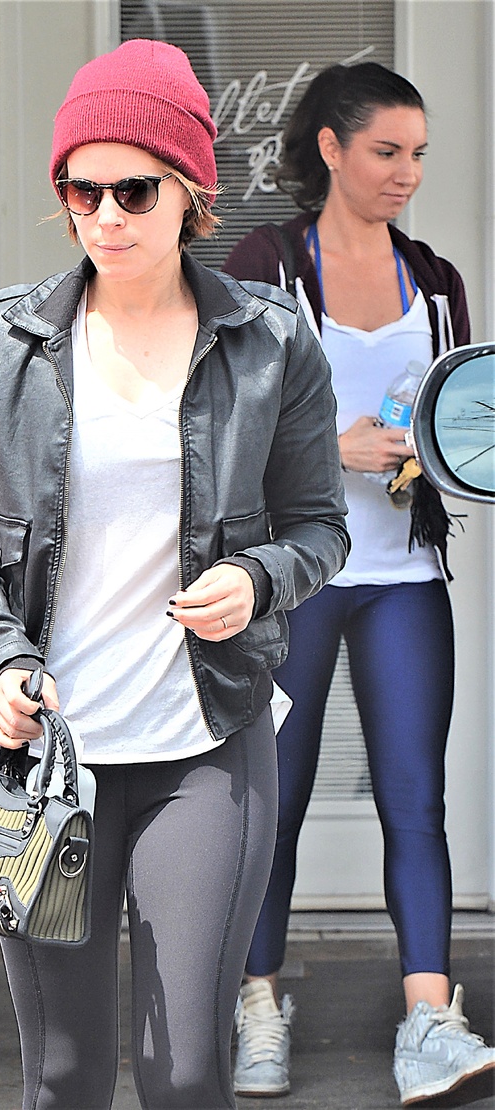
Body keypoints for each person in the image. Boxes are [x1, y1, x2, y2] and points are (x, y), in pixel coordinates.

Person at [0, 38, 348, 1110]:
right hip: (44, 752)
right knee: (64, 1075)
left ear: (190, 190)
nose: (104, 215)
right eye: (81, 190)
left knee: (186, 1071)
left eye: (133, 190)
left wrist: (258, 579)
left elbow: (318, 527)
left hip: (202, 739)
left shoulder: (269, 342)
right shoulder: (3, 342)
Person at [223, 61, 495, 1107]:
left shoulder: (435, 279)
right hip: (293, 578)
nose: (405, 172)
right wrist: (329, 447)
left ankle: (428, 1020)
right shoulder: (264, 266)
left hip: (401, 576)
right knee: (275, 803)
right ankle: (256, 1004)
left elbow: (461, 418)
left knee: (414, 802)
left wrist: (435, 453)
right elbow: (217, 417)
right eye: (386, 151)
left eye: (417, 154)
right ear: (331, 149)